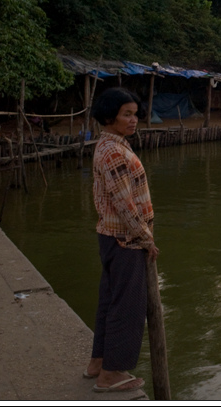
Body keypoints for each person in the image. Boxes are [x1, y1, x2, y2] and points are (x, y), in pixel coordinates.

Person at [83, 87, 159, 393]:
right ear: (109, 116)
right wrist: (146, 239)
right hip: (126, 239)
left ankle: (99, 362)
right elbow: (125, 205)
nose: (134, 119)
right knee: (129, 306)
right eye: (126, 114)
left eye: (135, 113)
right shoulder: (114, 151)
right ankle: (111, 374)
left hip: (112, 237)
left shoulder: (108, 145)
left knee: (110, 303)